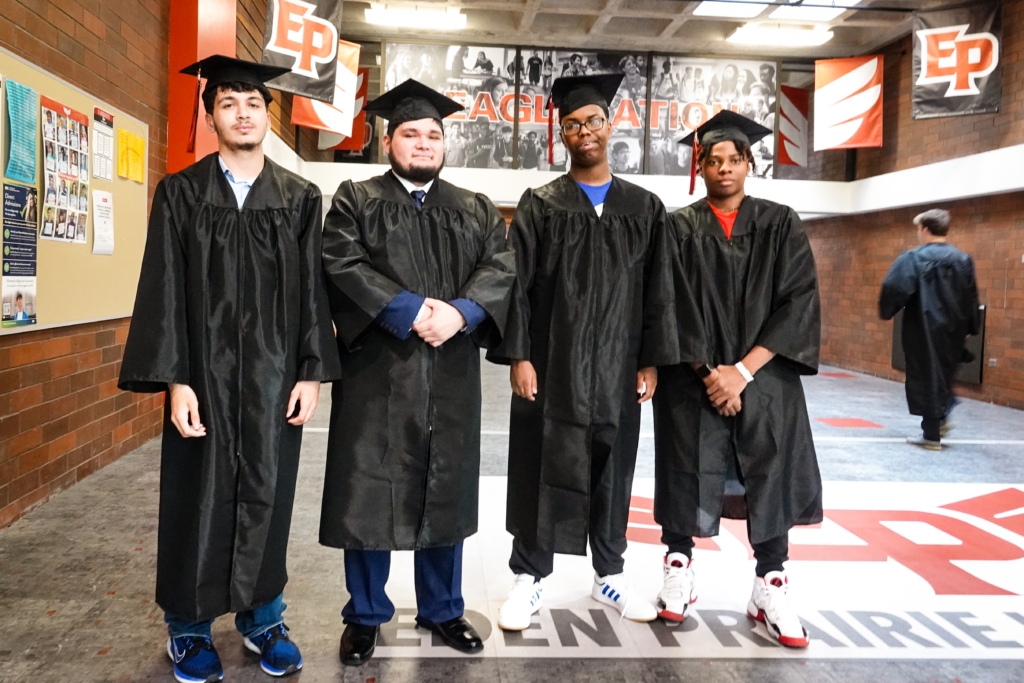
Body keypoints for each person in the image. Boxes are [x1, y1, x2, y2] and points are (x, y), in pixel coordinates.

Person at [118, 55, 341, 683]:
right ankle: (187, 631)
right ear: (210, 115)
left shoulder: (299, 198)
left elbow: (310, 292)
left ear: (267, 114)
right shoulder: (182, 193)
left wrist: (309, 370)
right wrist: (175, 379)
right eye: (228, 103)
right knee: (196, 497)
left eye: (252, 103)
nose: (242, 113)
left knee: (268, 496)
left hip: (275, 379)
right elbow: (162, 289)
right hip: (204, 380)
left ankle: (263, 618)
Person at [319, 79, 515, 666]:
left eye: (434, 134)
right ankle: (366, 615)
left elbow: (499, 267)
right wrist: (411, 310)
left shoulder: (475, 207)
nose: (424, 143)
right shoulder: (355, 198)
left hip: (449, 370)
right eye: (411, 134)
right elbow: (341, 262)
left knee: (445, 485)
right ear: (388, 140)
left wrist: (459, 312)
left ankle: (443, 608)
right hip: (379, 370)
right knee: (368, 490)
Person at [489, 73, 686, 630]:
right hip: (550, 369)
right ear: (563, 133)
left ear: (609, 125)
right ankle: (529, 578)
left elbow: (660, 290)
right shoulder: (541, 204)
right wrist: (519, 356)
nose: (584, 131)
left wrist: (649, 360)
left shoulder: (644, 208)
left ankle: (609, 574)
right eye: (573, 124)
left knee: (613, 468)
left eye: (593, 121)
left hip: (619, 369)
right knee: (538, 465)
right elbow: (515, 284)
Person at [652, 111, 822, 649]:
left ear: (750, 164)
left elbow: (799, 302)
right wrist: (712, 373)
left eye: (734, 159)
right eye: (713, 160)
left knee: (769, 469)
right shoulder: (676, 228)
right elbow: (667, 304)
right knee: (685, 466)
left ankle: (770, 582)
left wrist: (743, 371)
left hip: (765, 377)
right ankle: (678, 566)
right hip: (692, 377)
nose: (724, 168)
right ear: (699, 167)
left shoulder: (781, 222)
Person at [879, 209, 980, 450]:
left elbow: (894, 287)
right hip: (953, 329)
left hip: (923, 328)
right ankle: (941, 415)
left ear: (924, 229)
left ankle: (932, 435)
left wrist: (888, 310)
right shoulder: (963, 259)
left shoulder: (913, 258)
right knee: (943, 374)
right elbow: (971, 295)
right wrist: (971, 326)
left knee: (926, 377)